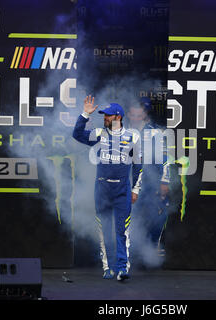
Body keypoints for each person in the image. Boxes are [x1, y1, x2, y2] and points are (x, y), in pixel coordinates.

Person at [72, 95, 143, 281]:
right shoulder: (99, 133)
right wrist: (84, 115)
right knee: (103, 230)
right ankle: (107, 267)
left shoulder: (133, 136)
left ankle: (122, 269)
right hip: (102, 189)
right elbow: (77, 134)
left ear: (118, 117)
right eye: (104, 115)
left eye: (108, 116)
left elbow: (138, 165)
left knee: (122, 230)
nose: (105, 118)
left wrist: (136, 189)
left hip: (122, 191)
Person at [127, 98, 170, 262]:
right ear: (129, 115)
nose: (136, 117)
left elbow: (165, 158)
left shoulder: (155, 133)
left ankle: (150, 250)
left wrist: (164, 181)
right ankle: (132, 253)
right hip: (128, 184)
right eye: (133, 114)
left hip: (149, 184)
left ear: (144, 115)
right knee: (130, 218)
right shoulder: (122, 131)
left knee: (156, 217)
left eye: (139, 114)